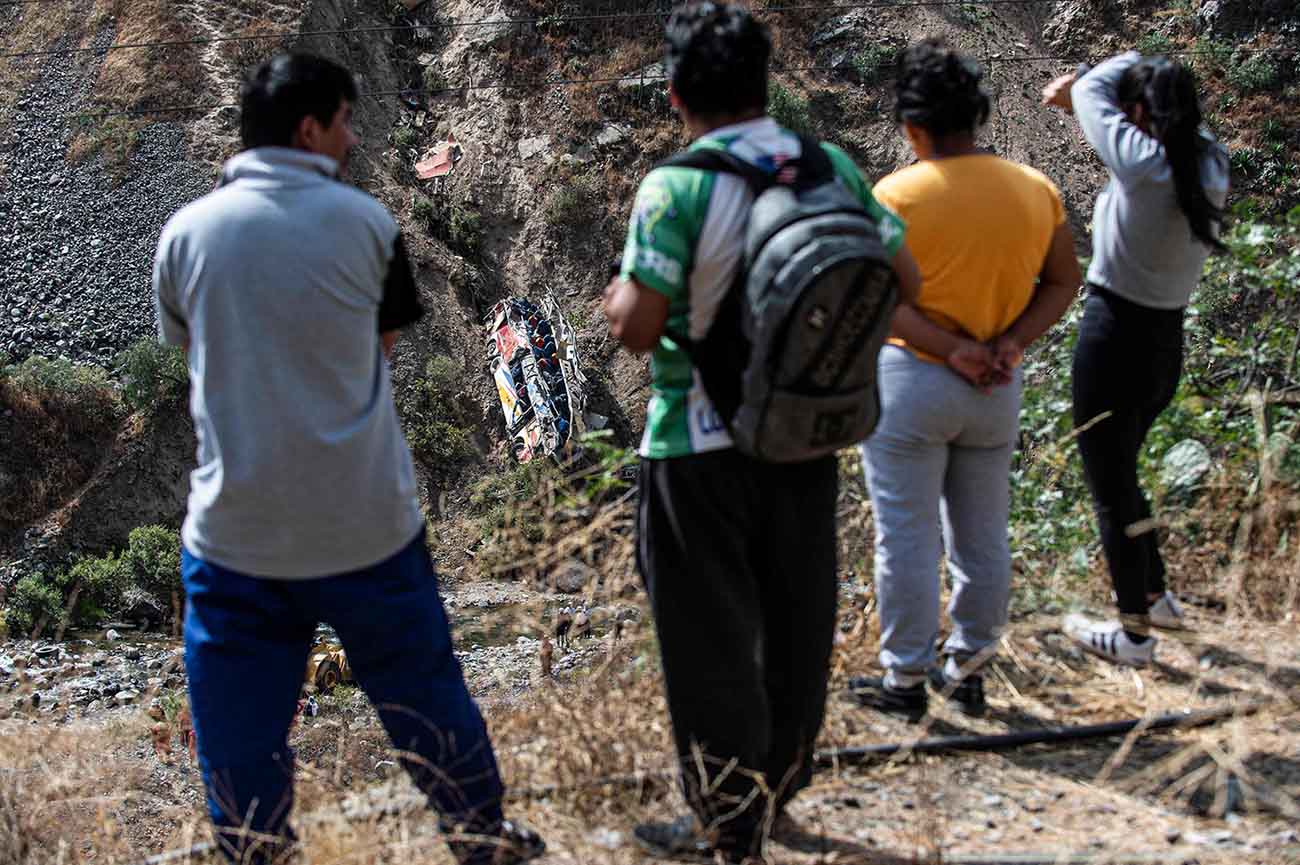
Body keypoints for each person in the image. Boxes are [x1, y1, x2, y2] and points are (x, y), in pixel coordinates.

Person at [153, 53, 542, 865]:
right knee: (426, 696)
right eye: (344, 120)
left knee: (238, 728)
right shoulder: (368, 225)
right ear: (308, 129)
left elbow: (190, 348)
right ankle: (480, 836)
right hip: (365, 521)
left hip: (237, 533)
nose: (354, 137)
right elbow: (385, 345)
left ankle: (255, 851)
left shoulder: (185, 235)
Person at [602, 4, 920, 861]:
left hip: (697, 447)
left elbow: (638, 326)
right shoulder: (828, 165)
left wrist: (622, 300)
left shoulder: (676, 186)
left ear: (674, 95)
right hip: (806, 434)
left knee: (708, 640)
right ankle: (777, 790)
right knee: (797, 619)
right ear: (764, 82)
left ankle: (725, 820)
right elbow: (905, 275)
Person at [848, 39, 1080, 719]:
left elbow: (875, 299)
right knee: (983, 535)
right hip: (996, 387)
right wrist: (1007, 343)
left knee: (907, 536)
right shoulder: (1034, 189)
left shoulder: (895, 194)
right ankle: (970, 668)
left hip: (912, 381)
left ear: (913, 128)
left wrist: (949, 348)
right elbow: (1063, 279)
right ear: (977, 118)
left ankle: (904, 680)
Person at [1043, 53, 1229, 666]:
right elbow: (1177, 122)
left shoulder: (1144, 165)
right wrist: (1156, 80)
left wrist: (1124, 68)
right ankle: (1156, 597)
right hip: (1162, 348)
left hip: (1113, 339)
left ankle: (1134, 637)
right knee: (1124, 477)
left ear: (1143, 114)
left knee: (1109, 489)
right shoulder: (1209, 164)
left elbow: (1091, 87)